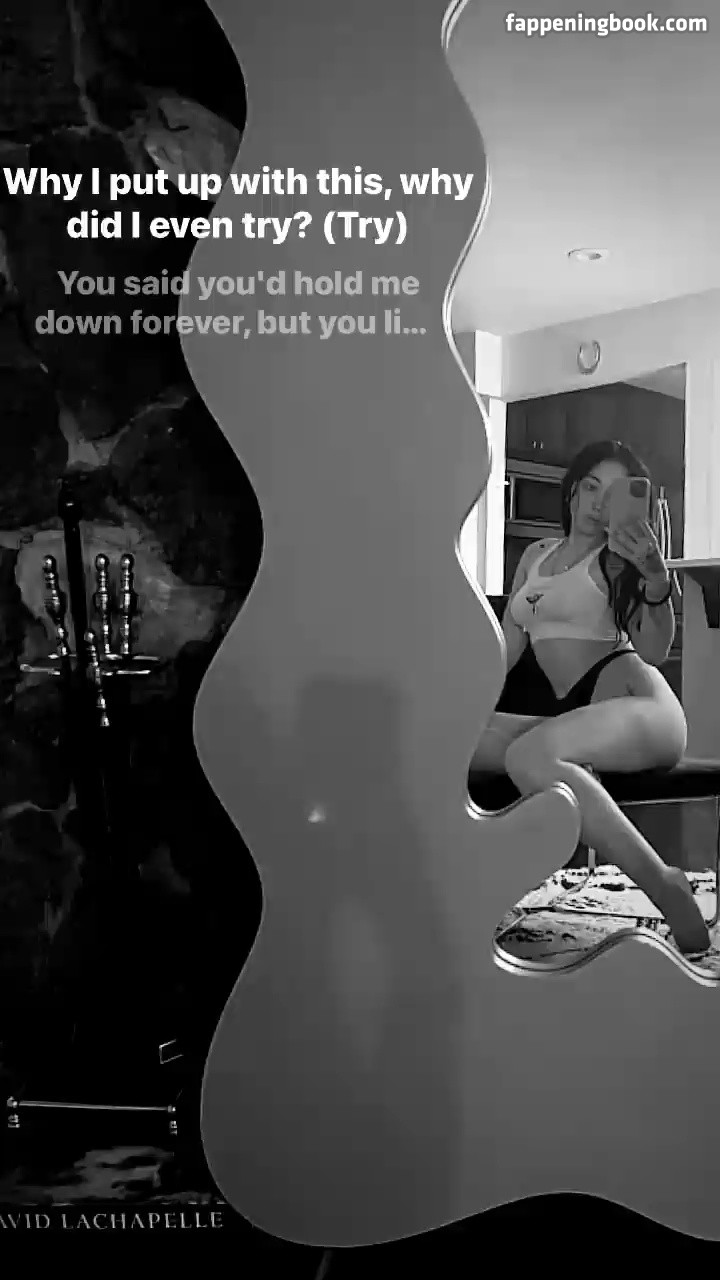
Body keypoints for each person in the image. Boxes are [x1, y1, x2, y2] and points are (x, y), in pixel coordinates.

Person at [472, 438, 710, 955]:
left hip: (639, 703)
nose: (599, 502)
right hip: (577, 719)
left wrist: (655, 580)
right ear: (573, 492)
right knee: (458, 737)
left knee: (528, 756)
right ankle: (465, 879)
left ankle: (664, 883)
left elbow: (654, 649)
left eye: (614, 492)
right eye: (591, 487)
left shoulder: (617, 560)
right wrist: (460, 694)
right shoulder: (536, 556)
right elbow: (508, 647)